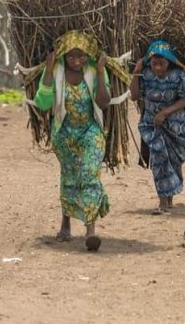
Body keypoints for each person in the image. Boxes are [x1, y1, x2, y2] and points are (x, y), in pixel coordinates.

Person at [34, 31, 110, 252]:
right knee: (69, 176)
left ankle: (90, 230)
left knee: (89, 172)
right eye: (71, 57)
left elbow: (103, 102)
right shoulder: (56, 71)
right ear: (63, 56)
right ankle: (65, 223)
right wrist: (48, 69)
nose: (77, 61)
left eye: (82, 56)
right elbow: (43, 104)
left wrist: (101, 70)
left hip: (90, 130)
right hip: (64, 132)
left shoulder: (93, 71)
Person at [130, 40, 185, 215]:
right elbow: (134, 96)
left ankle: (169, 198)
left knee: (174, 161)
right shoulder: (146, 75)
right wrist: (136, 72)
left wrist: (165, 112)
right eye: (154, 63)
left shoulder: (177, 75)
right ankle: (163, 202)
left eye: (162, 64)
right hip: (152, 126)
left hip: (175, 126)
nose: (158, 68)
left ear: (169, 62)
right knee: (159, 160)